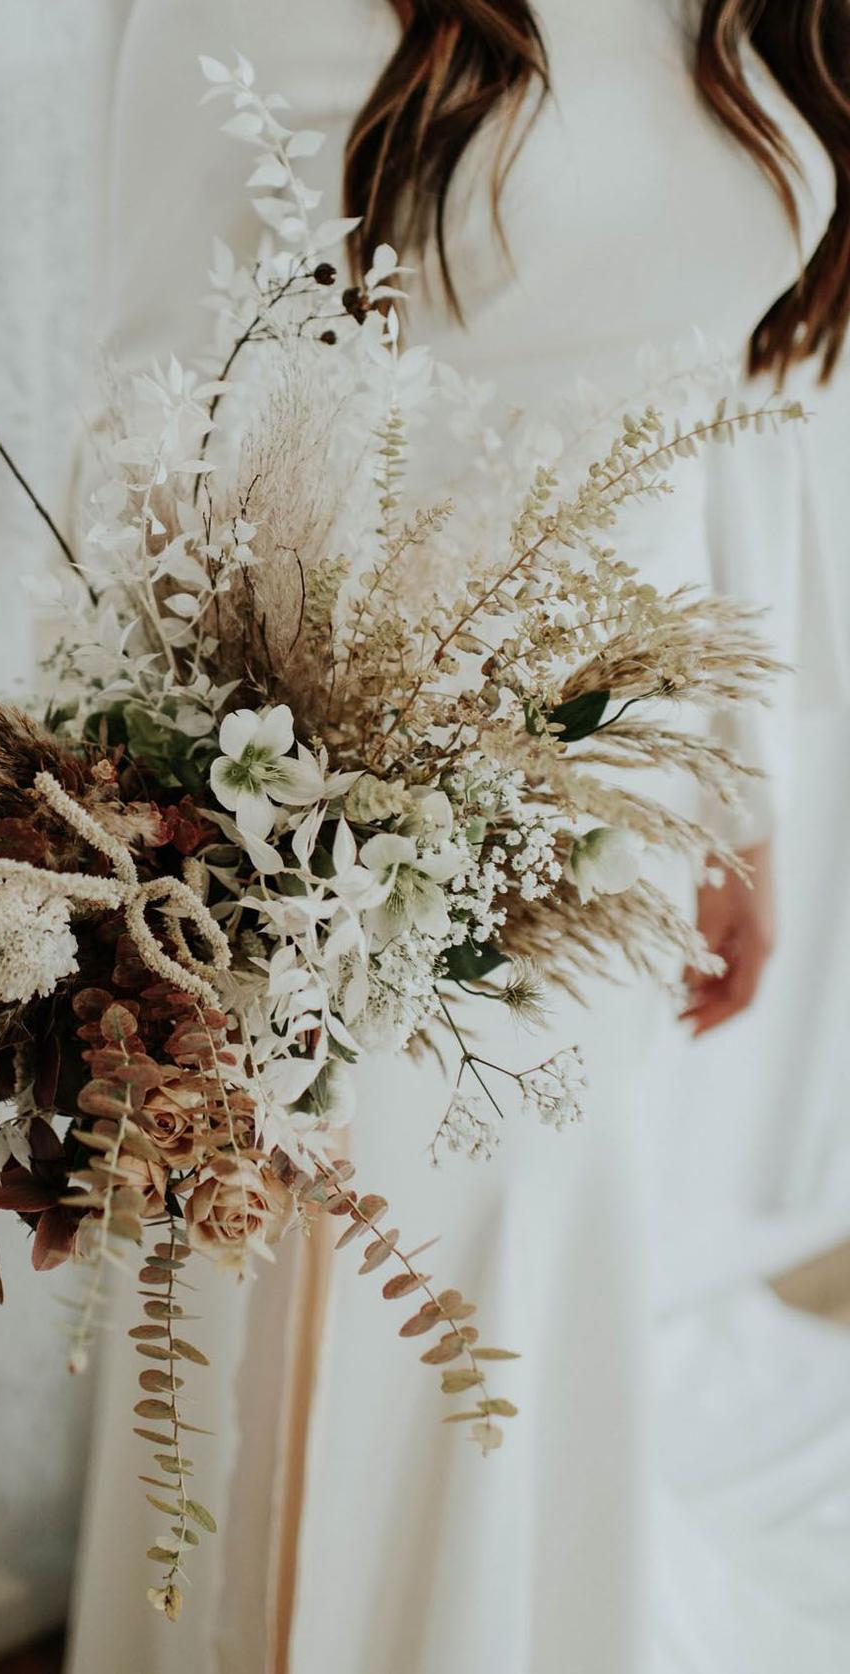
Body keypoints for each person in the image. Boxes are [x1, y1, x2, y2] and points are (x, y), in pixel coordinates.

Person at [66, 4, 844, 1670]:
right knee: (350, 1323)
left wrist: (736, 789)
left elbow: (724, 411)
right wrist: (196, 872)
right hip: (350, 819)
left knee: (542, 1285)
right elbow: (157, 426)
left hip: (618, 814)